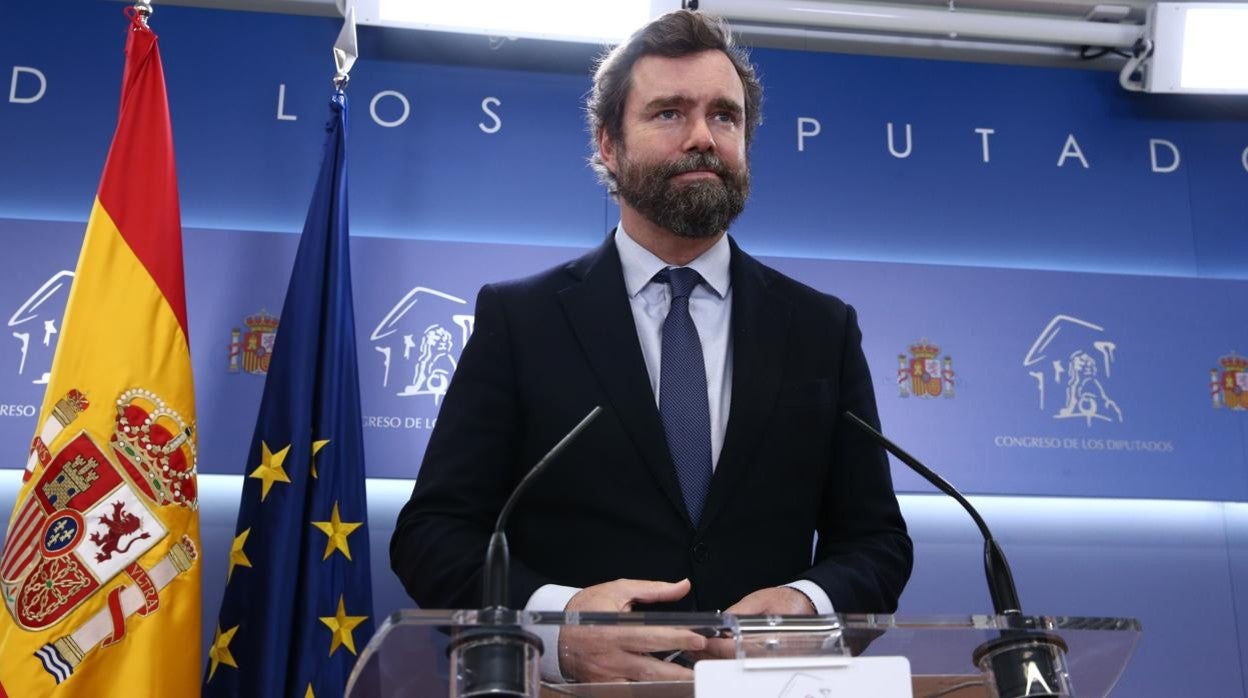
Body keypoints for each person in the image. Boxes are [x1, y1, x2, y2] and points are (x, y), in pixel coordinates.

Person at [390, 9, 912, 683]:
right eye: (669, 113)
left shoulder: (820, 329)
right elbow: (434, 535)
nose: (702, 136)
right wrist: (558, 627)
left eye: (724, 116)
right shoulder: (521, 320)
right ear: (608, 144)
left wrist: (806, 607)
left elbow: (876, 541)